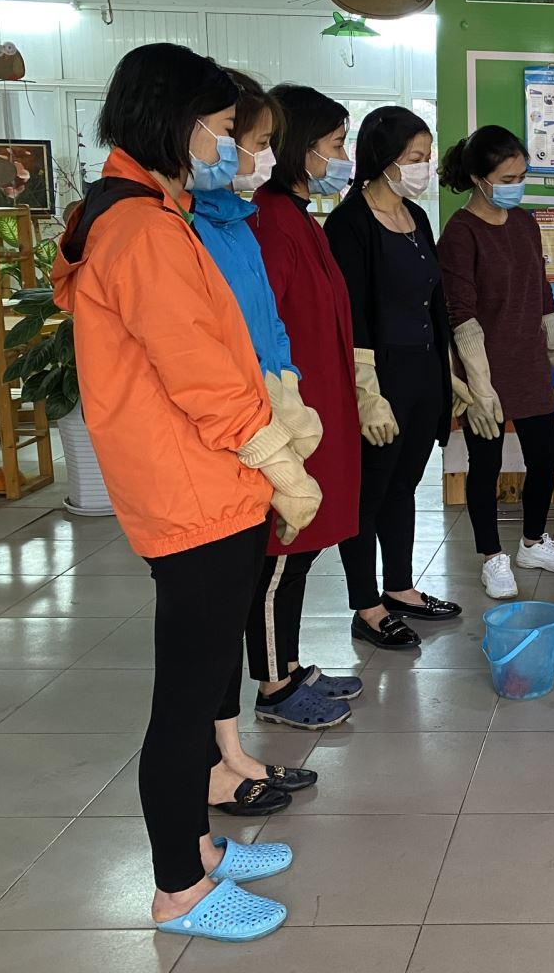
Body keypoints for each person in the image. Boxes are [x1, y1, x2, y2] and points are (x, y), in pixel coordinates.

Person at [51, 43, 307, 940]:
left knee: (204, 685)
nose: (228, 146)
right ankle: (178, 890)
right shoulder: (141, 231)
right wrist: (278, 457)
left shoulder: (149, 212)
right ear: (176, 121)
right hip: (192, 488)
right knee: (185, 699)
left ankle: (199, 847)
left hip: (205, 483)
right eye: (223, 128)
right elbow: (200, 372)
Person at [187, 71, 344, 789]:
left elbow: (272, 325)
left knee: (254, 580)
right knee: (243, 588)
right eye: (246, 138)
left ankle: (234, 746)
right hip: (227, 439)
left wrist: (292, 395)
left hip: (271, 412)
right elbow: (210, 353)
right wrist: (271, 435)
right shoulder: (196, 228)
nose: (259, 156)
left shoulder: (243, 222)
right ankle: (257, 708)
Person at [248, 85, 366, 709]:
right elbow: (262, 333)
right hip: (293, 418)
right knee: (281, 553)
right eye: (336, 145)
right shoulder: (270, 221)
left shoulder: (298, 216)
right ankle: (274, 684)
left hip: (320, 411)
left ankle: (290, 664)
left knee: (303, 547)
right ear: (301, 148)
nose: (343, 159)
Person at [324, 105, 459, 648]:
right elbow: (351, 314)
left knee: (405, 484)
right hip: (379, 376)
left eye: (427, 157)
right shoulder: (349, 224)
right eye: (415, 157)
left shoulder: (416, 217)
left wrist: (450, 375)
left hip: (423, 370)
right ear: (383, 159)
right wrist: (366, 393)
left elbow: (434, 302)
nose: (425, 168)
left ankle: (400, 587)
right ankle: (367, 605)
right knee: (369, 492)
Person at [438, 125, 554, 600]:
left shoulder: (524, 224)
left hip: (527, 362)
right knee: (486, 465)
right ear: (478, 179)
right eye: (507, 179)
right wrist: (479, 386)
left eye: (521, 176)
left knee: (545, 459)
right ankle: (491, 557)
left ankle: (533, 543)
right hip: (483, 367)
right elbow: (461, 315)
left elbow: (542, 292)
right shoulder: (460, 233)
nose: (517, 186)